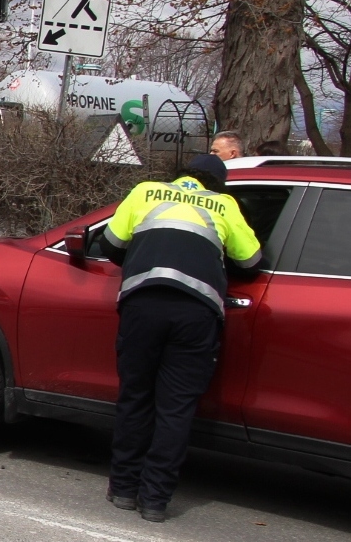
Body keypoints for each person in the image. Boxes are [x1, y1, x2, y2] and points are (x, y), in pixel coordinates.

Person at [102, 153, 261, 522]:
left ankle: (124, 488)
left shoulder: (146, 191)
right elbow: (251, 261)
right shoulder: (223, 204)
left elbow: (110, 245)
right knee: (175, 408)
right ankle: (155, 501)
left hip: (144, 304)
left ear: (180, 176)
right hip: (195, 312)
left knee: (135, 397)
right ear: (217, 184)